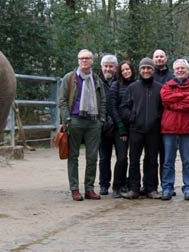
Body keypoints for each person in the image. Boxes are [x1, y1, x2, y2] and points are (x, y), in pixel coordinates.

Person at [58, 49, 105, 201]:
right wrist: (67, 119)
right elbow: (62, 100)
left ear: (92, 61)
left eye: (87, 58)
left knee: (92, 157)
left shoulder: (96, 79)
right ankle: (74, 189)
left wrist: (101, 120)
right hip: (75, 120)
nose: (84, 61)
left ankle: (89, 189)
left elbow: (103, 100)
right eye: (81, 58)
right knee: (73, 156)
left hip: (93, 121)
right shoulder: (69, 78)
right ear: (78, 61)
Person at [120, 58, 163, 199]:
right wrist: (131, 117)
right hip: (136, 129)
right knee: (134, 160)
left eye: (149, 68)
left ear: (153, 70)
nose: (146, 71)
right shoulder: (132, 87)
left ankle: (151, 188)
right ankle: (134, 188)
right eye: (143, 68)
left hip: (154, 130)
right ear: (139, 70)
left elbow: (164, 108)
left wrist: (158, 118)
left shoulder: (159, 88)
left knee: (151, 160)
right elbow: (124, 107)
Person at [160, 58, 189, 200]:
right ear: (174, 71)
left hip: (188, 129)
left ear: (188, 70)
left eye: (182, 68)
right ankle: (167, 187)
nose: (180, 70)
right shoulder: (167, 86)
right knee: (168, 161)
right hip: (170, 128)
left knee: (187, 161)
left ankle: (188, 187)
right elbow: (165, 99)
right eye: (177, 68)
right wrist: (183, 97)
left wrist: (174, 104)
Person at [107, 60, 135, 198]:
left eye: (128, 69)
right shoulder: (115, 85)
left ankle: (130, 184)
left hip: (135, 127)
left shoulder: (137, 85)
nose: (126, 72)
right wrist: (121, 127)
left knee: (134, 157)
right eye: (123, 70)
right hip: (120, 127)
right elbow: (111, 107)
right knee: (122, 157)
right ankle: (117, 185)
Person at [98, 54, 118, 196]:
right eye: (106, 66)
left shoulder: (122, 82)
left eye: (111, 66)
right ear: (101, 67)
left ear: (115, 68)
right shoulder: (96, 82)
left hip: (118, 126)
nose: (108, 69)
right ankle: (104, 184)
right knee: (104, 157)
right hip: (102, 126)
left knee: (122, 157)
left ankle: (119, 183)